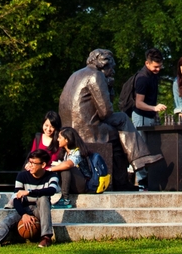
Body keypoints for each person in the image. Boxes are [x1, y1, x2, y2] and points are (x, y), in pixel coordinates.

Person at [58, 48, 162, 189]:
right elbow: (105, 112)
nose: (112, 72)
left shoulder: (76, 74)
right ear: (104, 65)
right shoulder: (96, 76)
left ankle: (133, 168)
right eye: (111, 68)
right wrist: (109, 88)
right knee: (122, 120)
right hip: (87, 130)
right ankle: (138, 162)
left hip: (69, 130)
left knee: (119, 133)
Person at [0, 149, 59, 249]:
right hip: (25, 208)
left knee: (44, 198)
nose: (29, 165)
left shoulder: (52, 176)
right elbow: (16, 199)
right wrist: (24, 214)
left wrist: (29, 192)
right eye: (29, 162)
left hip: (41, 210)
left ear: (43, 165)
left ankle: (46, 237)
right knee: (7, 221)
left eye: (33, 163)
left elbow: (51, 190)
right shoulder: (22, 176)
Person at [132, 48, 168, 190]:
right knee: (141, 148)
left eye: (160, 66)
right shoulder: (142, 78)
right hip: (141, 116)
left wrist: (155, 112)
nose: (158, 69)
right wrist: (154, 108)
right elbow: (138, 103)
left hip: (150, 115)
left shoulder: (153, 76)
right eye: (155, 66)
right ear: (147, 63)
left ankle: (150, 178)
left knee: (152, 147)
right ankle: (141, 180)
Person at [47, 127, 92, 209]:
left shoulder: (77, 152)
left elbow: (68, 165)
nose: (57, 139)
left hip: (83, 185)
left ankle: (65, 199)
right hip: (72, 186)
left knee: (65, 167)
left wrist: (49, 169)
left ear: (67, 139)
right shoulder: (64, 154)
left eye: (60, 137)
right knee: (60, 166)